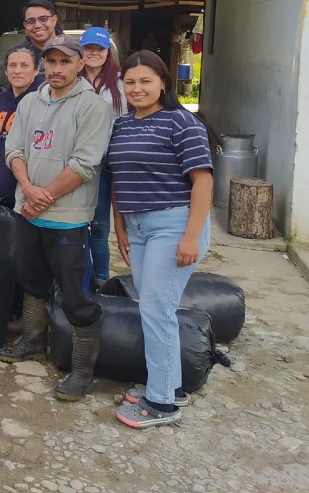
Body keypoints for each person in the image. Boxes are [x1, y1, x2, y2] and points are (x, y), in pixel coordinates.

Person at [0, 34, 109, 401]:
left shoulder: (92, 106)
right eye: (52, 62)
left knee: (76, 294)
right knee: (32, 281)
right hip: (28, 211)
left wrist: (43, 198)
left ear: (80, 64)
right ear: (43, 64)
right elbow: (13, 148)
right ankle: (32, 341)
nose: (57, 69)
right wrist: (27, 188)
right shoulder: (31, 101)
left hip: (68, 218)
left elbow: (85, 164)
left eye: (65, 62)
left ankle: (81, 370)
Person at [108, 50, 213, 429]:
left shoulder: (181, 123)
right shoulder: (121, 125)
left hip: (174, 225)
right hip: (136, 228)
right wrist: (119, 227)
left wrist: (191, 236)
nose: (137, 89)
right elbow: (118, 179)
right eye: (130, 82)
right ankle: (169, 384)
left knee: (155, 308)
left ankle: (161, 404)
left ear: (163, 83)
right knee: (153, 306)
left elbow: (203, 181)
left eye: (145, 81)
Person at [0, 45, 46, 334]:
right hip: (5, 186)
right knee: (8, 251)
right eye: (13, 65)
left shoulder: (41, 101)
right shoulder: (0, 99)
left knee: (29, 255)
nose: (18, 71)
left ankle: (30, 318)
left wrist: (30, 189)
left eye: (25, 65)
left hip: (29, 190)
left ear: (37, 70)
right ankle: (9, 309)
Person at [79, 26, 126, 283]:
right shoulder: (73, 79)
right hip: (78, 161)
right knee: (77, 225)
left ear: (108, 51)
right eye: (89, 48)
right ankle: (79, 278)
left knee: (99, 226)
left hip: (107, 163)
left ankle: (100, 279)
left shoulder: (120, 81)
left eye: (99, 49)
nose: (93, 53)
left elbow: (127, 120)